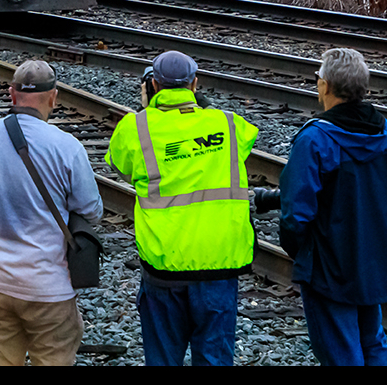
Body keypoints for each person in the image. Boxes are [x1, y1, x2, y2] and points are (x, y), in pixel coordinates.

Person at [105, 51, 266, 366]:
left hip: (165, 267)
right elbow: (247, 139)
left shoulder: (135, 127)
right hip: (219, 265)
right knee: (215, 358)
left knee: (163, 359)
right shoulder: (228, 124)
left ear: (153, 85)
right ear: (195, 83)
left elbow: (120, 167)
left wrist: (149, 108)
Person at [0, 60, 103, 366]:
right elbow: (91, 210)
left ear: (12, 94)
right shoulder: (66, 146)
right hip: (47, 286)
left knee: (0, 360)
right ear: (53, 97)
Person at [278, 48, 387, 366]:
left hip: (329, 265)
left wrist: (302, 252)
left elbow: (295, 213)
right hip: (373, 258)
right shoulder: (386, 133)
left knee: (339, 350)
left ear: (325, 86)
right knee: (372, 341)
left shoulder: (315, 139)